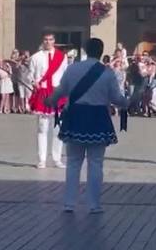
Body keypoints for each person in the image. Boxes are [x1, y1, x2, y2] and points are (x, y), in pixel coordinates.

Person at [46, 38, 128, 214]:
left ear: (85, 50)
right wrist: (128, 102)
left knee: (73, 163)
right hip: (98, 118)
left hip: (75, 116)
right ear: (101, 51)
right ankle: (94, 204)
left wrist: (50, 99)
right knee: (96, 163)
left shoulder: (73, 68)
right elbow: (116, 98)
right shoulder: (107, 73)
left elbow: (61, 90)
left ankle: (69, 203)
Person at [29, 33, 68, 169]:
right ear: (43, 41)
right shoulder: (35, 57)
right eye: (45, 39)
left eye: (50, 39)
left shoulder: (62, 57)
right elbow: (31, 74)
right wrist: (34, 83)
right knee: (42, 127)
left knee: (58, 127)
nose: (48, 42)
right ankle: (42, 159)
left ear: (54, 41)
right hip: (43, 93)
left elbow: (65, 74)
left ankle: (57, 159)